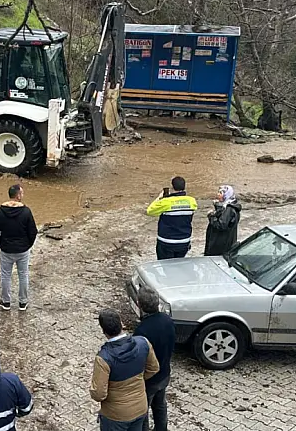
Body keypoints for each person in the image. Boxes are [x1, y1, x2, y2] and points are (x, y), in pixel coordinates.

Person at [91, 309, 160, 431]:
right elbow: (154, 368)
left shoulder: (103, 358)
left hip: (115, 415)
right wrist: (138, 379)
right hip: (140, 407)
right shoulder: (143, 343)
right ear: (121, 323)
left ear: (104, 331)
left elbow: (99, 394)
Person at [133, 288, 175, 431]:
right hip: (165, 373)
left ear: (140, 305)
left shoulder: (142, 331)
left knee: (143, 411)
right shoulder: (167, 319)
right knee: (160, 405)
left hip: (149, 380)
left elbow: (139, 359)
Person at [0, 184, 37, 311]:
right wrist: (27, 245)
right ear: (18, 195)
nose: (23, 195)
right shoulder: (26, 212)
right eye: (22, 193)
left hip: (6, 249)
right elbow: (33, 231)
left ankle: (6, 302)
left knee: (6, 275)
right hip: (22, 250)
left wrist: (0, 244)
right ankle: (23, 302)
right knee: (23, 275)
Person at [146, 176, 198, 260]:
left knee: (165, 266)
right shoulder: (192, 201)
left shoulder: (165, 202)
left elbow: (149, 211)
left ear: (172, 187)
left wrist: (159, 198)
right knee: (178, 266)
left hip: (166, 242)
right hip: (184, 241)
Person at [204, 185, 242, 256]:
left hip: (219, 247)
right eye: (218, 192)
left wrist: (211, 216)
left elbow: (221, 225)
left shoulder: (229, 209)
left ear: (226, 195)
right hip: (222, 245)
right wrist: (217, 208)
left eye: (221, 193)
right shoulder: (227, 207)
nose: (218, 194)